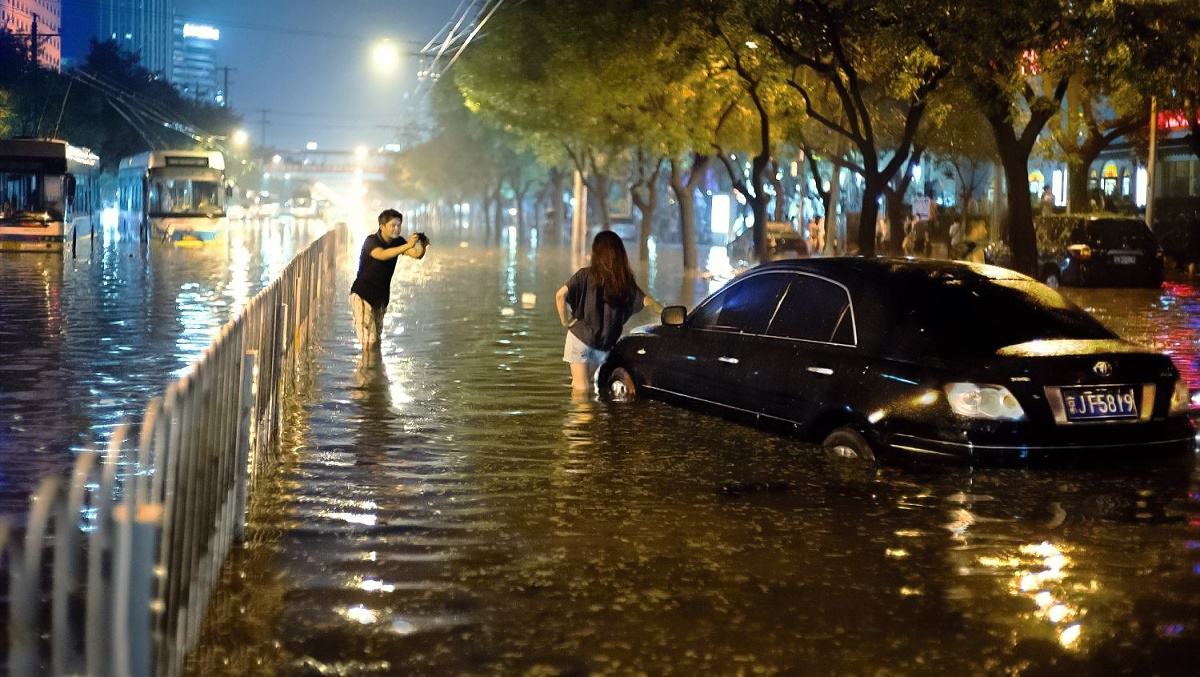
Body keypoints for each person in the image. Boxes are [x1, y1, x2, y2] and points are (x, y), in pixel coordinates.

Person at [556, 231, 662, 393]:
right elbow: (648, 302)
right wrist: (668, 313)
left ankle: (582, 418)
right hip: (604, 344)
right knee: (584, 384)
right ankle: (582, 417)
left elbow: (560, 295)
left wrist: (565, 321)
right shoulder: (624, 282)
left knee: (580, 386)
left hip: (581, 338)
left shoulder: (584, 275)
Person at [349, 209, 427, 355]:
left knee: (377, 341)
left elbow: (416, 254)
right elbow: (382, 255)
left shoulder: (398, 242)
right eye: (393, 225)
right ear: (382, 226)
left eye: (399, 225)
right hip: (362, 296)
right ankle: (366, 375)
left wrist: (421, 244)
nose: (396, 229)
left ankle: (376, 374)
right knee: (369, 342)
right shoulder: (371, 241)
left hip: (381, 298)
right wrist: (407, 246)